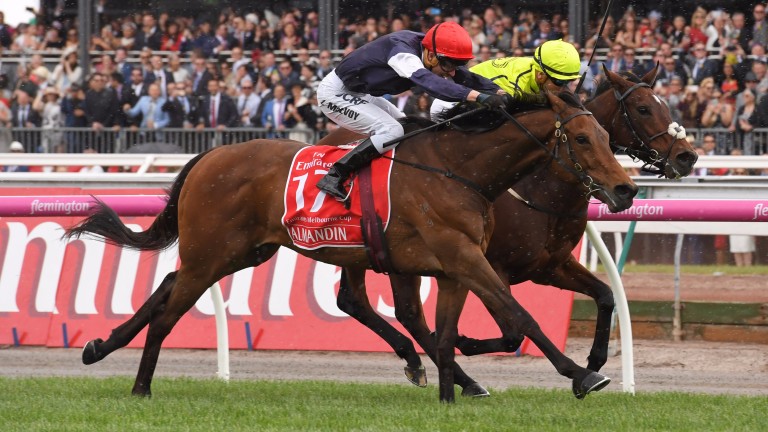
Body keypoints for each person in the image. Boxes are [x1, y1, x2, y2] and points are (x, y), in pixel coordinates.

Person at [315, 21, 503, 201]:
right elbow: (431, 84)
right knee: (392, 131)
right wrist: (476, 96)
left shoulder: (433, 51)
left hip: (361, 93)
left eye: (455, 65)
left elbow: (464, 76)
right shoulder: (403, 54)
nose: (452, 72)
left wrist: (497, 91)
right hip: (334, 93)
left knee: (407, 128)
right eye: (449, 65)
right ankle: (336, 174)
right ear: (430, 55)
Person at [430, 39, 581, 121]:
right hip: (449, 104)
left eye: (568, 81)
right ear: (540, 75)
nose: (564, 88)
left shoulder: (536, 72)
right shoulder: (516, 84)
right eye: (560, 82)